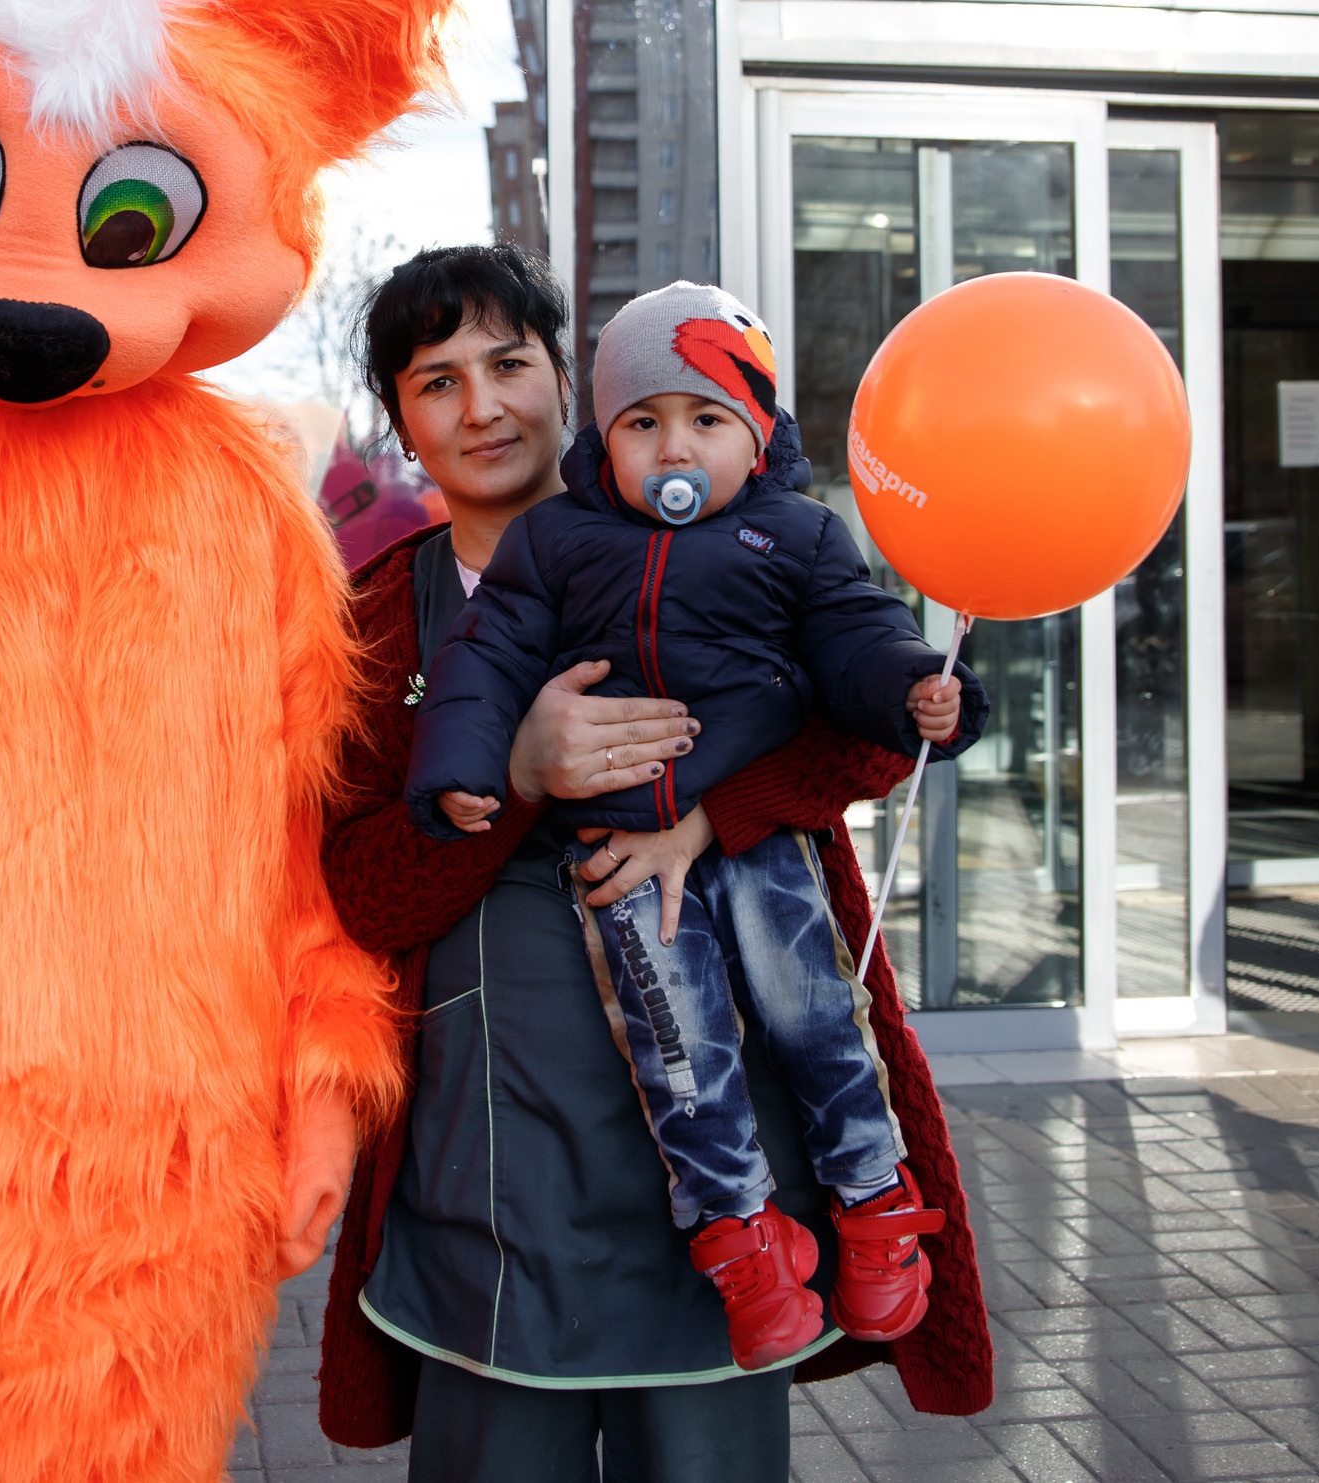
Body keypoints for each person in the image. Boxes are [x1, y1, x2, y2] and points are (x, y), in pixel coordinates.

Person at [314, 246, 994, 1482]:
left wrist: (707, 818)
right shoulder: (357, 626)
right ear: (399, 419)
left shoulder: (746, 545)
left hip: (726, 1165)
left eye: (509, 365)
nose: (481, 408)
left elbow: (863, 735)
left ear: (567, 384)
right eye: (436, 382)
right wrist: (517, 780)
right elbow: (352, 890)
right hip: (486, 1162)